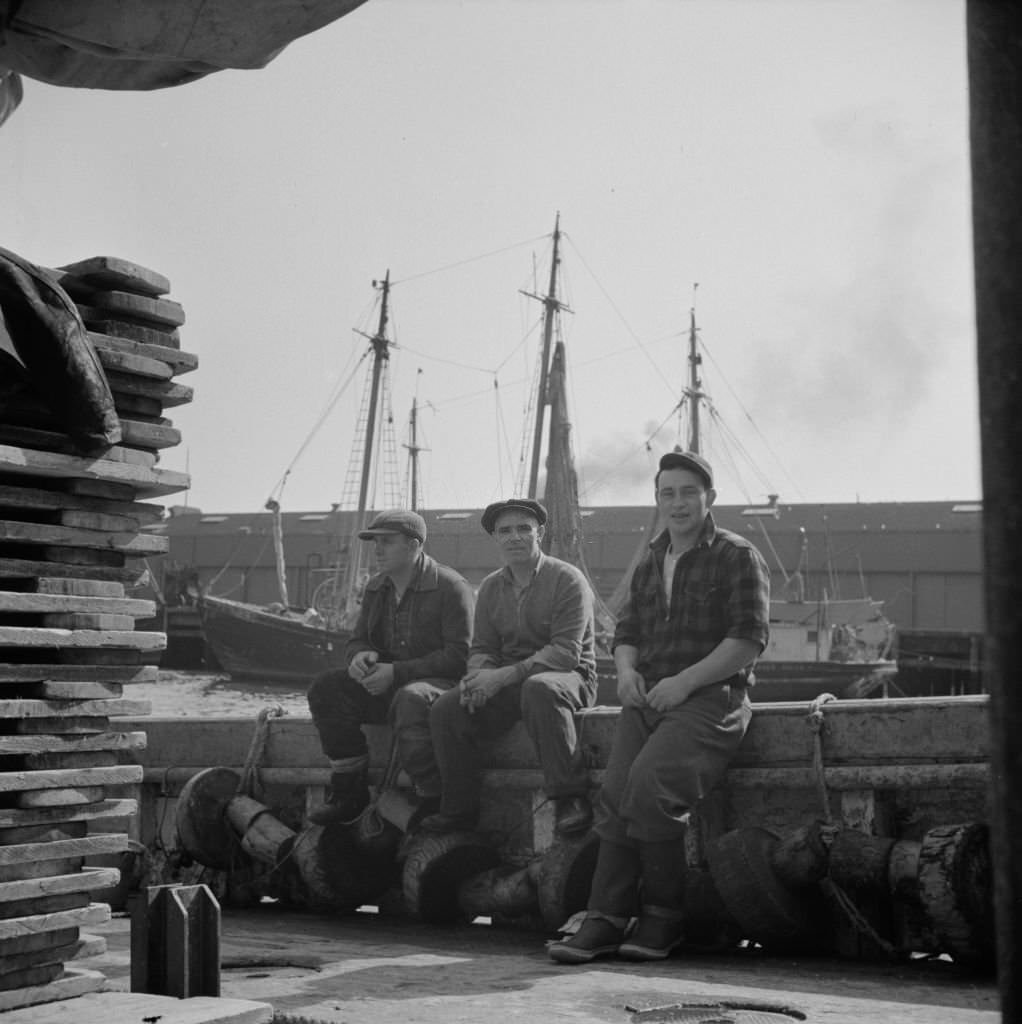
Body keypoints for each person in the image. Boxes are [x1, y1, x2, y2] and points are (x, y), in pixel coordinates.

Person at [549, 450, 770, 964]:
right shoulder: (652, 559)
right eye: (667, 493)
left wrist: (684, 682)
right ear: (657, 500)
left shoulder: (737, 555)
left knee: (650, 791)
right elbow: (625, 633)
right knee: (614, 796)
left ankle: (664, 917)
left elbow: (748, 639)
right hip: (648, 703)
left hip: (713, 700)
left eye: (687, 492)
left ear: (708, 498)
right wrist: (626, 673)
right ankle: (603, 920)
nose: (677, 503)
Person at [420, 498, 599, 838]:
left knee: (541, 687)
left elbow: (565, 653)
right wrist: (477, 680)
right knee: (446, 707)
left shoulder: (567, 580)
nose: (515, 537)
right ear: (496, 538)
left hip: (569, 679)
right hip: (510, 682)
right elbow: (484, 647)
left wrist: (501, 676)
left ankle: (570, 798)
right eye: (505, 531)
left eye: (523, 529)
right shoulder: (490, 587)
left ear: (540, 533)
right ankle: (459, 810)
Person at [306, 509, 474, 825]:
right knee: (327, 688)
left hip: (442, 688)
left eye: (387, 541)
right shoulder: (376, 588)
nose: (377, 549)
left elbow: (461, 657)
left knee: (410, 698)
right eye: (375, 542)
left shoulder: (451, 588)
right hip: (392, 683)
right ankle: (349, 791)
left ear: (413, 545)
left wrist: (396, 672)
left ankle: (432, 798)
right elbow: (357, 640)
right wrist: (360, 656)